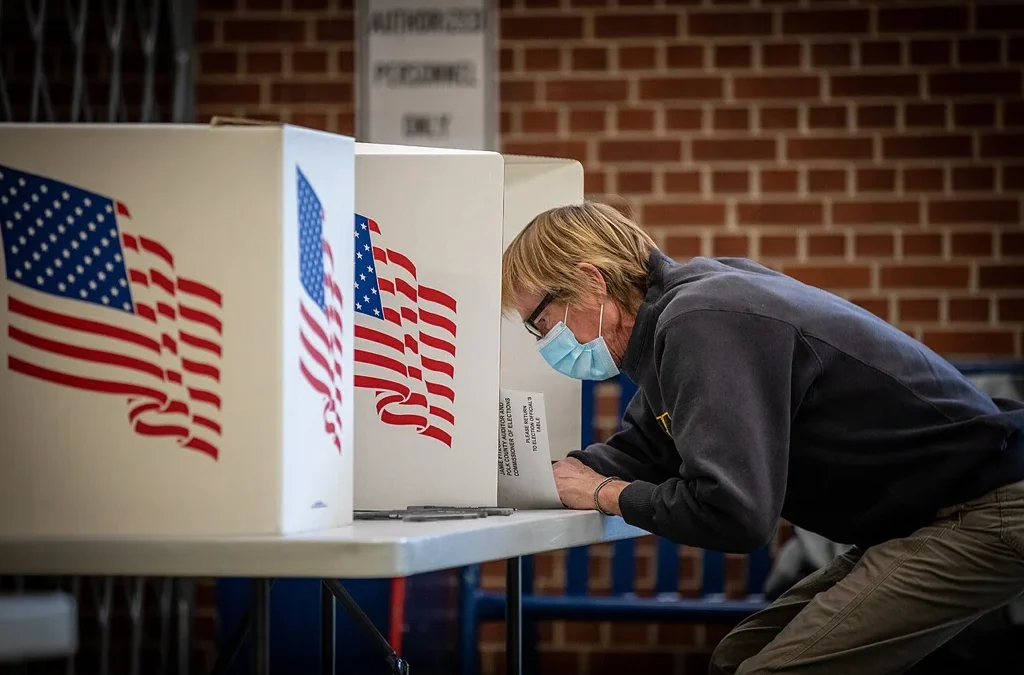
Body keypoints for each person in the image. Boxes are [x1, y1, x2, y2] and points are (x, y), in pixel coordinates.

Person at [500, 200, 1024, 675]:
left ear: (592, 281)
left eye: (542, 321)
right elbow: (647, 449)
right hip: (923, 514)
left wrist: (601, 494)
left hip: (984, 506)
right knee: (735, 659)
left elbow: (735, 513)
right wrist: (534, 478)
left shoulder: (700, 320)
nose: (547, 341)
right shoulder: (681, 314)